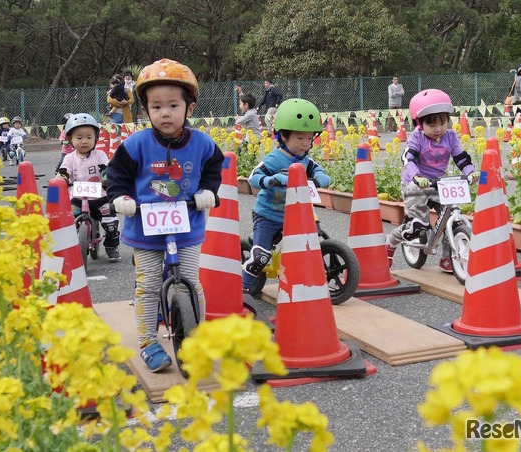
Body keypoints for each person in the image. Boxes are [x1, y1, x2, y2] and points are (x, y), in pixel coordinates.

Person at [107, 58, 223, 372]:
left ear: (190, 108)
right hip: (145, 226)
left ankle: (196, 336)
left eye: (173, 105)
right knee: (147, 285)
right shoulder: (135, 144)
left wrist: (209, 192)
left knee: (191, 281)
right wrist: (120, 198)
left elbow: (214, 168)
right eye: (156, 107)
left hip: (187, 225)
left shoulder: (202, 143)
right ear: (145, 111)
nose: (165, 113)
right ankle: (148, 341)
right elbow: (116, 175)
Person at [385, 89, 480, 273]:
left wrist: (471, 173)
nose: (438, 129)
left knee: (453, 218)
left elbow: (461, 158)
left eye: (442, 123)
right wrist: (417, 176)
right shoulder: (417, 139)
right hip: (415, 185)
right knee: (418, 225)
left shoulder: (450, 136)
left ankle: (447, 257)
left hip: (438, 184)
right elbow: (408, 159)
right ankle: (390, 242)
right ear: (419, 123)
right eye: (432, 124)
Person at [242, 98, 330, 291]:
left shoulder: (305, 159)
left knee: (315, 236)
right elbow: (254, 177)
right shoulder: (275, 158)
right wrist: (270, 180)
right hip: (268, 215)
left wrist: (319, 179)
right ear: (283, 136)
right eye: (300, 138)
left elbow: (320, 172)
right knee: (261, 258)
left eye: (309, 138)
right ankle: (243, 288)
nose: (305, 144)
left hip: (297, 213)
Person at [56, 113, 121, 262]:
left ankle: (111, 246)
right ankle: (74, 245)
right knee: (70, 221)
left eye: (89, 137)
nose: (84, 141)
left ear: (96, 138)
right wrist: (62, 178)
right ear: (70, 139)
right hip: (78, 198)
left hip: (100, 196)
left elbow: (106, 169)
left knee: (110, 222)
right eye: (79, 138)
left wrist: (107, 179)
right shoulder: (69, 158)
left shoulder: (100, 155)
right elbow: (64, 171)